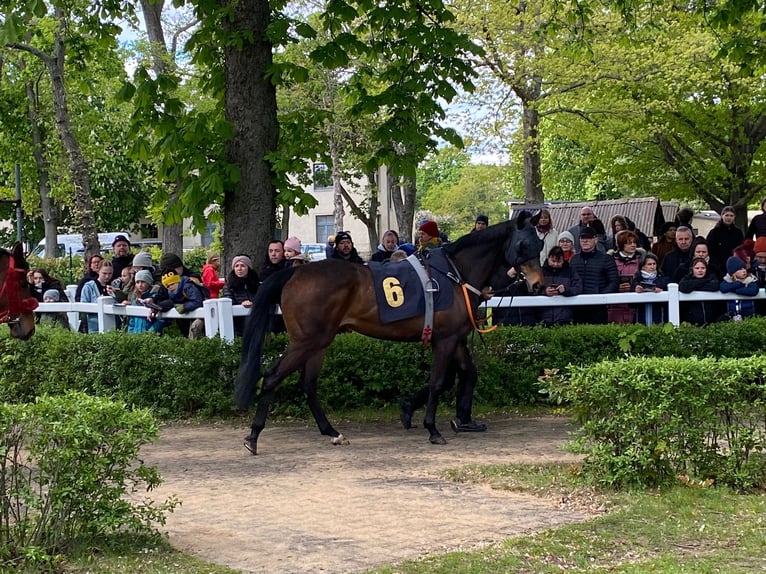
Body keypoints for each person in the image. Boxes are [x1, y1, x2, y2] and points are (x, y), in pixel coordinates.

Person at [568, 226, 619, 324]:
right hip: (577, 306)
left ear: (595, 240)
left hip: (598, 308)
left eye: (589, 238)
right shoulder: (574, 260)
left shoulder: (606, 259)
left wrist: (600, 297)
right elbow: (569, 280)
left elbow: (614, 282)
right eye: (583, 238)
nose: (585, 241)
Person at [538, 246, 582, 326]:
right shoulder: (541, 272)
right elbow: (533, 289)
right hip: (543, 317)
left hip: (565, 317)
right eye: (553, 261)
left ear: (563, 260)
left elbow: (578, 287)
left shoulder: (570, 271)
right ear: (548, 258)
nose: (555, 264)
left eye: (559, 262)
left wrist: (566, 290)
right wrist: (545, 291)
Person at [157, 269, 206, 338]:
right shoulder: (172, 293)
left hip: (199, 315)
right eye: (167, 286)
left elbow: (198, 301)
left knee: (195, 331)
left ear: (177, 281)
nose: (170, 287)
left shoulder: (188, 286)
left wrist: (184, 307)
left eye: (172, 283)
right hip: (186, 316)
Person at [607, 230, 643, 324]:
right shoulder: (610, 260)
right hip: (615, 306)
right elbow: (606, 280)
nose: (633, 245)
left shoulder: (642, 259)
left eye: (634, 242)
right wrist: (616, 287)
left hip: (636, 305)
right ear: (621, 244)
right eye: (629, 243)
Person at [222, 255, 261, 336]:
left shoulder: (256, 285)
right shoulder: (229, 286)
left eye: (242, 266)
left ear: (248, 268)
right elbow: (228, 301)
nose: (239, 269)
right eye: (236, 266)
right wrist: (241, 304)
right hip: (238, 326)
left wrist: (252, 302)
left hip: (256, 322)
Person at [678, 257, 722, 325]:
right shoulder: (687, 278)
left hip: (711, 322)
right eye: (697, 268)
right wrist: (704, 281)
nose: (700, 270)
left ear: (706, 269)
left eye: (703, 268)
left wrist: (694, 286)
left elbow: (715, 286)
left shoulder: (712, 277)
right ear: (692, 269)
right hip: (692, 323)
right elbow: (683, 287)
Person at [632, 252, 669, 324]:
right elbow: (631, 305)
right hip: (640, 320)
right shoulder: (636, 281)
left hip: (659, 319)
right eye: (649, 264)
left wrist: (661, 293)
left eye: (654, 264)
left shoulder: (664, 280)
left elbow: (668, 303)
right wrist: (635, 291)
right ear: (642, 266)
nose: (652, 266)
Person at [720, 255, 759, 321]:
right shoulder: (727, 280)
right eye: (740, 269)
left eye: (744, 268)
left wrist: (735, 290)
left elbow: (753, 291)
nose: (744, 271)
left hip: (749, 313)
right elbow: (723, 288)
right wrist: (738, 283)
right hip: (732, 314)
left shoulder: (751, 279)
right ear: (733, 273)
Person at [706, 206, 744, 273]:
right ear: (722, 216)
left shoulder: (738, 232)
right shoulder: (714, 232)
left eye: (731, 216)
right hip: (718, 267)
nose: (729, 218)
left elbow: (741, 248)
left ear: (734, 217)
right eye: (726, 215)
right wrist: (716, 263)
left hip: (734, 266)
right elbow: (709, 249)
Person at [81, 260, 114, 333]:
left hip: (111, 325)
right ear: (98, 271)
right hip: (93, 326)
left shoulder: (113, 286)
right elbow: (83, 306)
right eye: (104, 273)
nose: (107, 276)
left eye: (110, 273)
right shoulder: (89, 286)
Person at [126, 269, 162, 334]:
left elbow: (160, 320)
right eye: (137, 282)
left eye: (143, 282)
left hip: (151, 337)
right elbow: (132, 321)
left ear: (149, 282)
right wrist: (130, 334)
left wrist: (151, 332)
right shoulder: (135, 301)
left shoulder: (155, 298)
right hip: (135, 336)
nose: (140, 285)